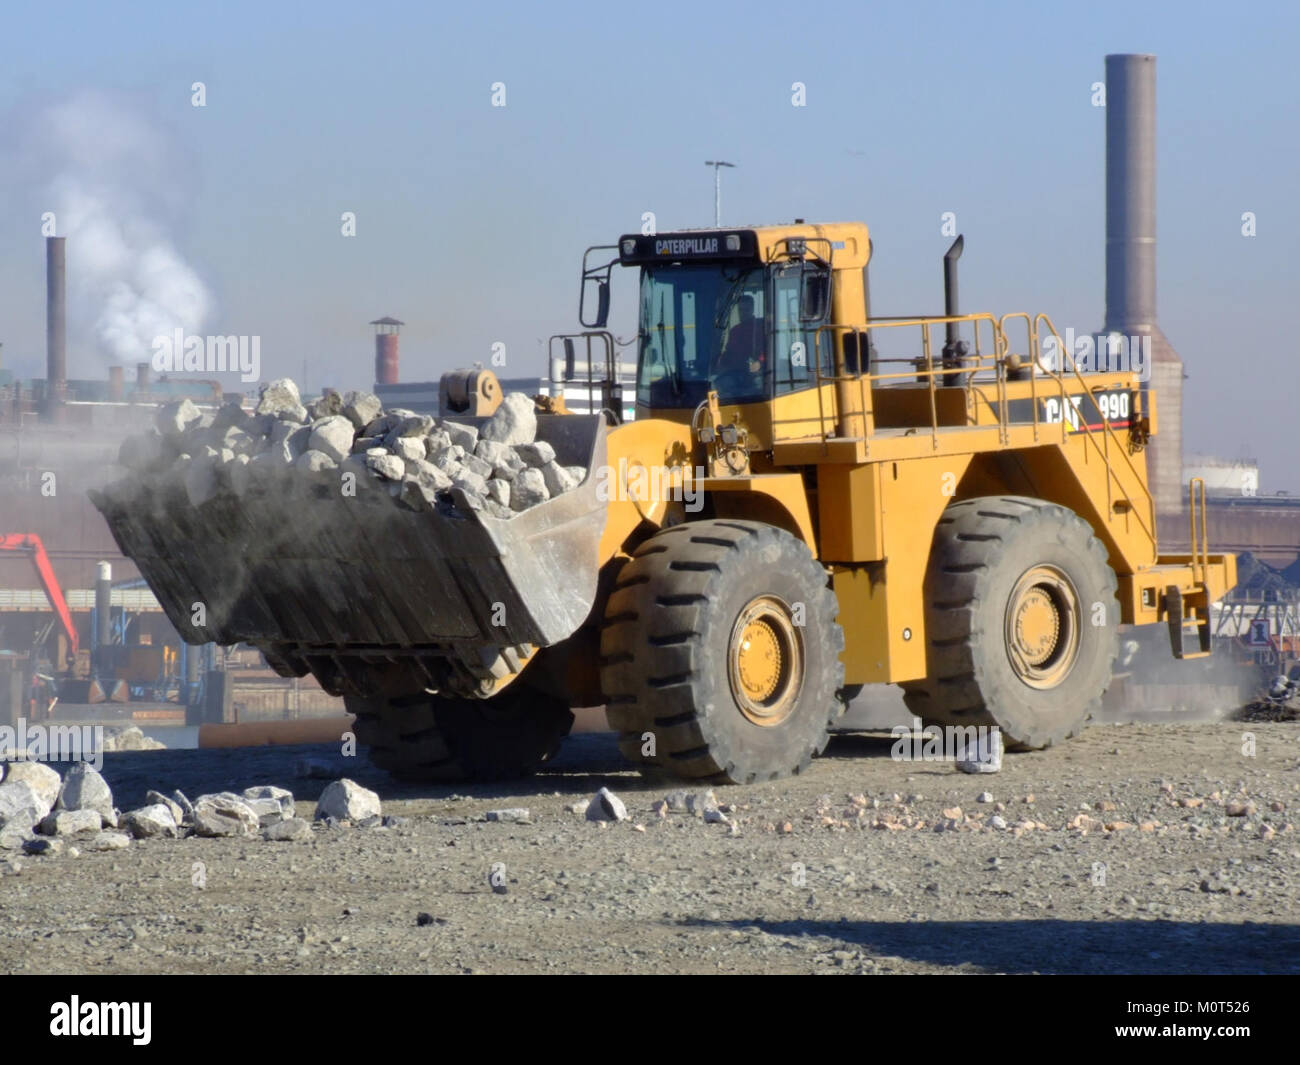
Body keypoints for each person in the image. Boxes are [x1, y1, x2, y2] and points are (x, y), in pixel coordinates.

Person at [714, 294, 766, 388]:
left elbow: (770, 348)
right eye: (741, 310)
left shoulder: (761, 326)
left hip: (758, 375)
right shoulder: (735, 331)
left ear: (752, 309)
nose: (743, 313)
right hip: (737, 373)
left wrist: (760, 362)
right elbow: (729, 353)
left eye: (746, 310)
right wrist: (720, 363)